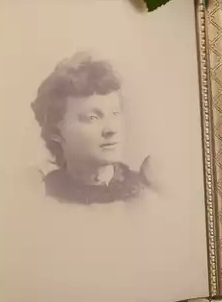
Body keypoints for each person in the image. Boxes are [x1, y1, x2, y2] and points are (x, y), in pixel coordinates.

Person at [31, 53, 153, 205]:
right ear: (56, 132)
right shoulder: (41, 198)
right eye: (92, 118)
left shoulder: (145, 194)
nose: (111, 129)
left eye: (115, 113)